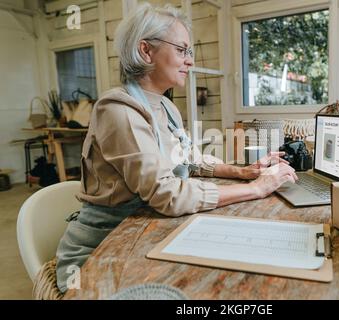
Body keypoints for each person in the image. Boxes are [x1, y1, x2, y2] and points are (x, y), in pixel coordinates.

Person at [55, 3, 297, 293]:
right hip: (101, 251)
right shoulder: (118, 111)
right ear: (146, 51)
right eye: (182, 50)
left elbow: (190, 159)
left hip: (145, 230)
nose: (190, 61)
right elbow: (166, 195)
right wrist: (257, 188)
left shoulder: (166, 106)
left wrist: (243, 172)